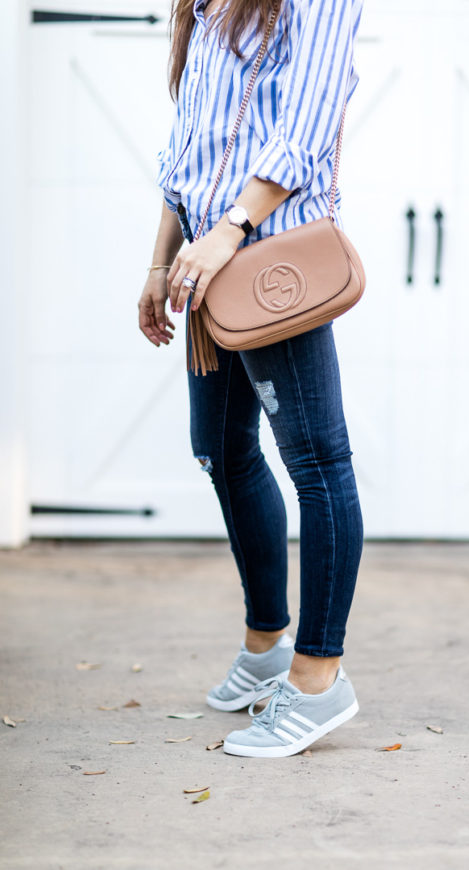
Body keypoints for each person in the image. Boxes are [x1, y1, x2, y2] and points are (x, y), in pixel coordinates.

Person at [138, 0, 364, 758]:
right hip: (204, 266)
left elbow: (305, 122)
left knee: (318, 464)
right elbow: (189, 143)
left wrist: (230, 229)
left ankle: (317, 680)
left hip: (271, 259)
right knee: (223, 451)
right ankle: (269, 644)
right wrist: (162, 258)